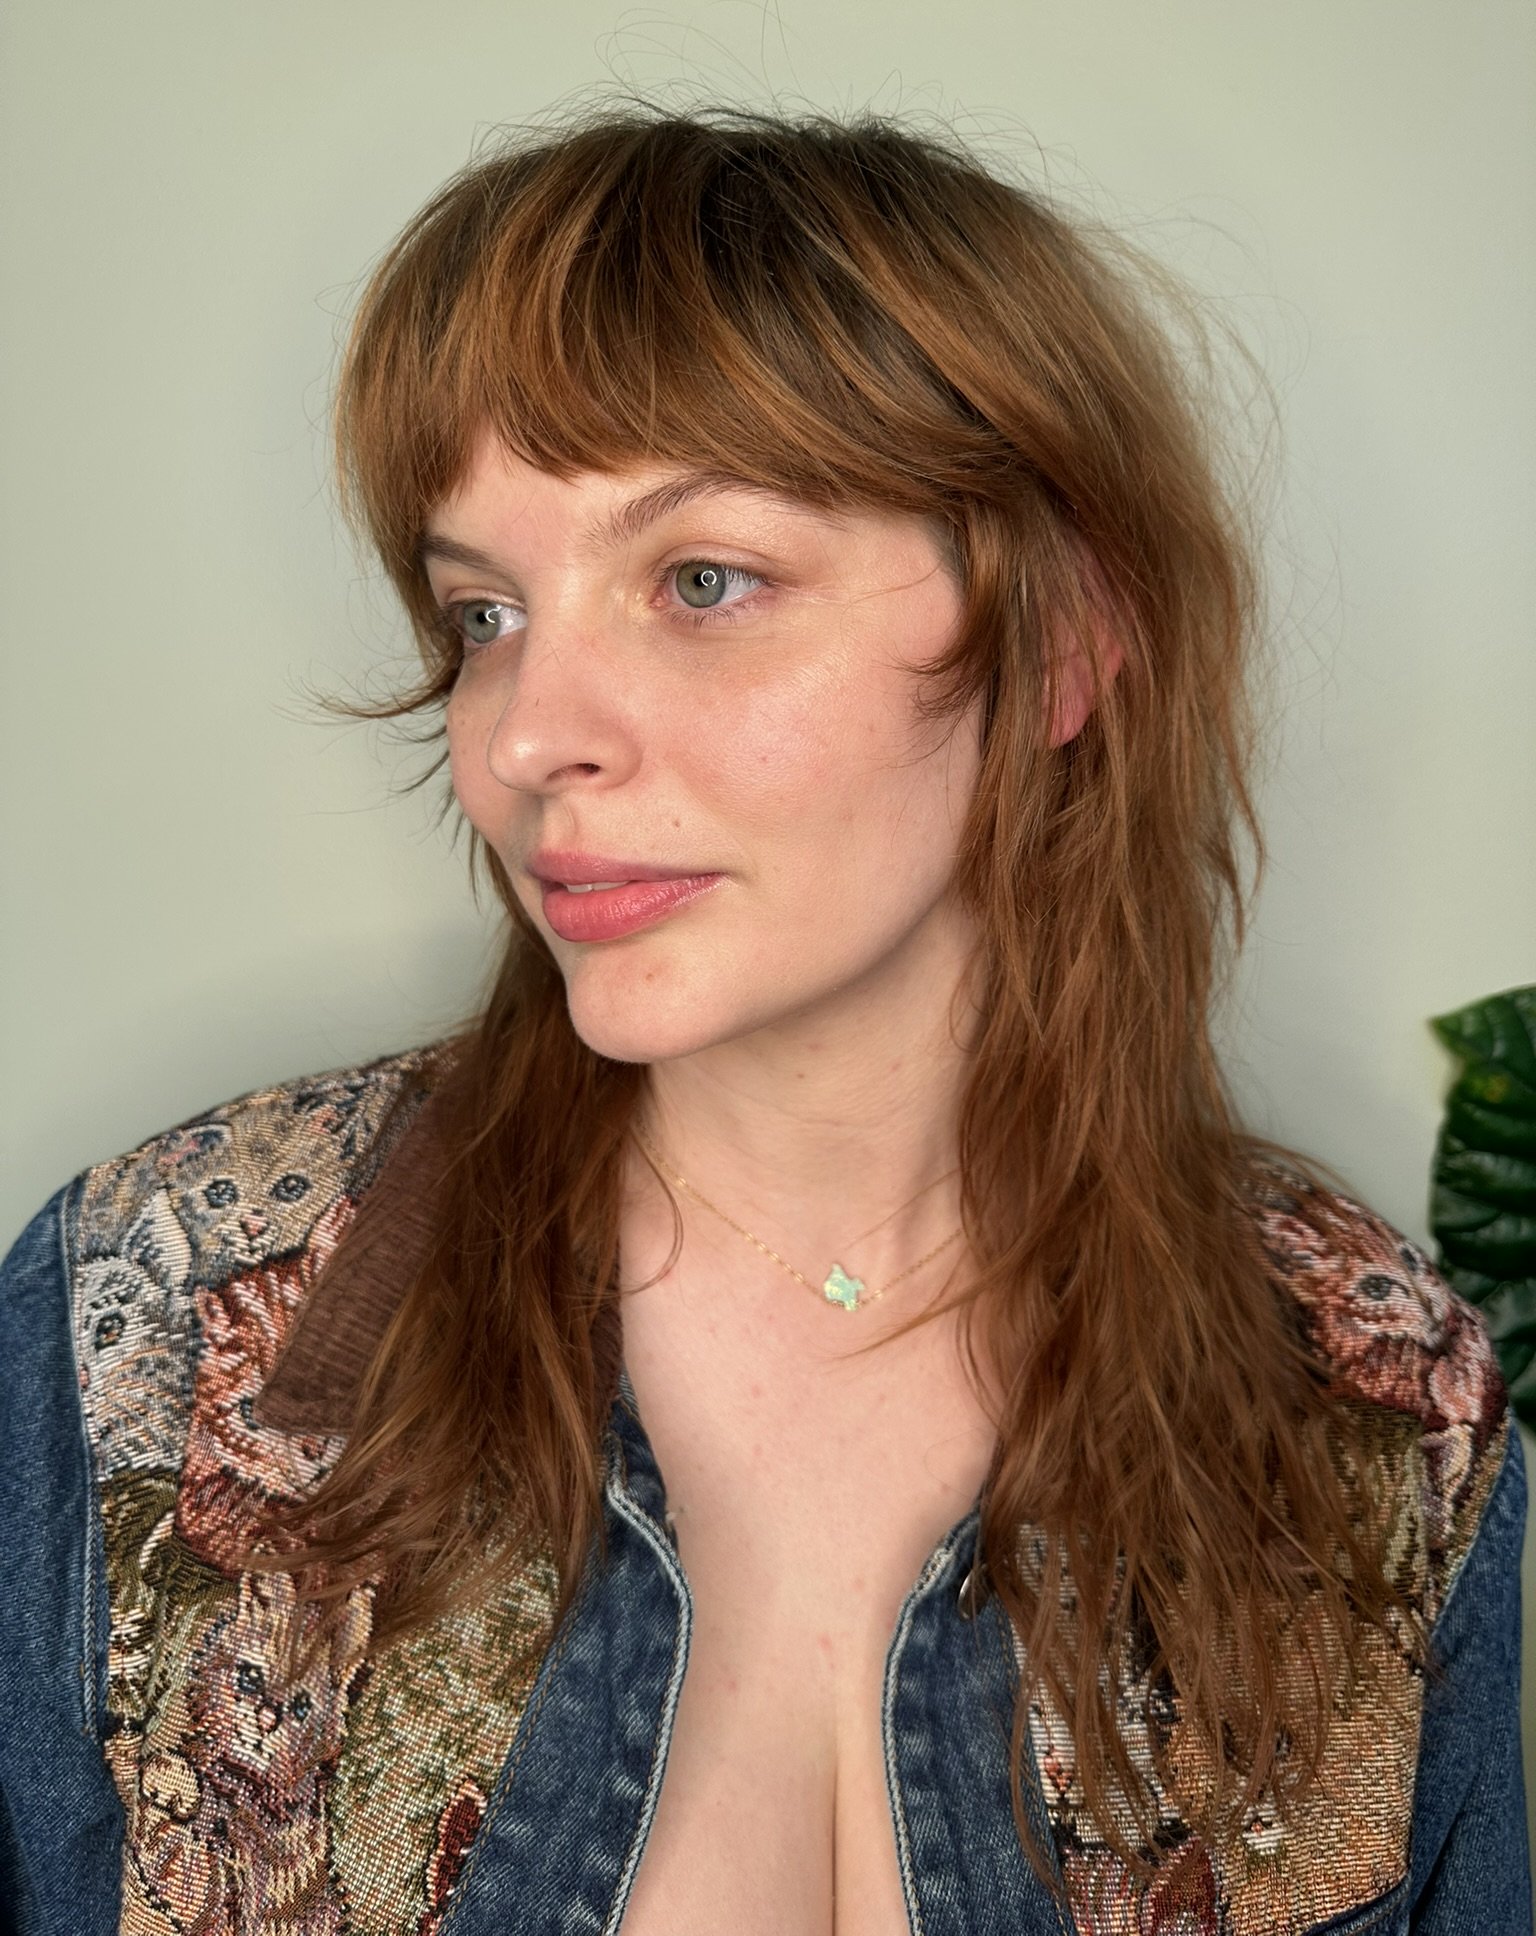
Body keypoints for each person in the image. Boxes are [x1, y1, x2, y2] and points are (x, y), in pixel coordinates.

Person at [0, 102, 1527, 1936]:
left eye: (702, 582)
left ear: (1060, 643)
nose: (525, 735)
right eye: (482, 612)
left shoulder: (1373, 1413)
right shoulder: (158, 1316)